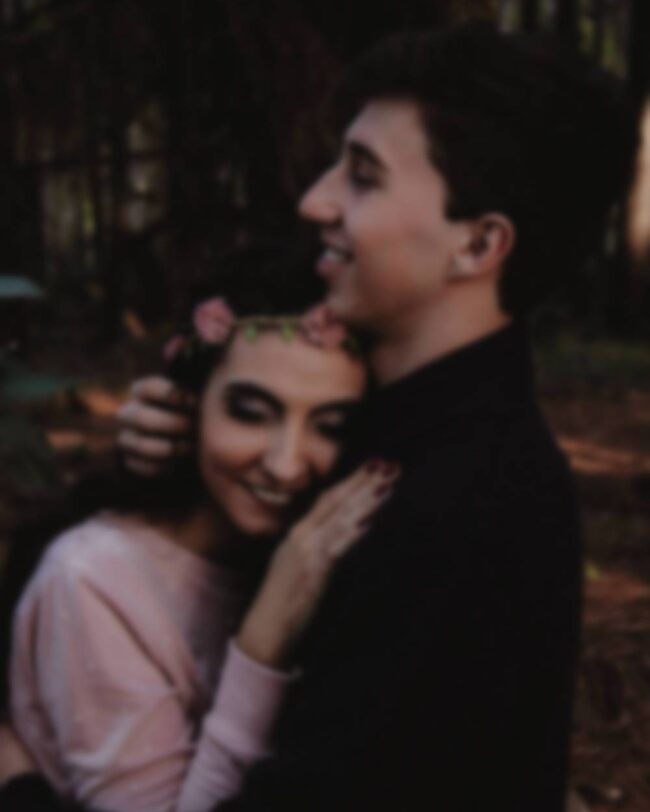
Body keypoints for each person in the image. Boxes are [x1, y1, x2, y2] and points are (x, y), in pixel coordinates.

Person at [1, 21, 639, 812]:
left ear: (478, 245)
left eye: (364, 176)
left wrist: (19, 788)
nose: (314, 200)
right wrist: (166, 465)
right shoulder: (403, 433)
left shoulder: (456, 507)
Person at [2, 249, 398, 812]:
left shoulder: (355, 554)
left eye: (332, 426)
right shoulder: (95, 579)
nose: (286, 465)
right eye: (250, 412)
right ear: (188, 408)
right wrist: (265, 640)